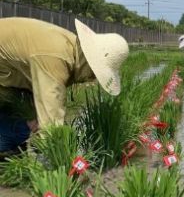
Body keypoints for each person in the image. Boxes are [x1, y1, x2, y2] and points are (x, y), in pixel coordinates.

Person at [0, 17, 129, 153]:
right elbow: (50, 123)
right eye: (94, 73)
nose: (92, 79)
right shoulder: (56, 58)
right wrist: (57, 160)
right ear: (89, 61)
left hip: (7, 76)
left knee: (26, 120)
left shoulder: (68, 47)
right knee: (14, 136)